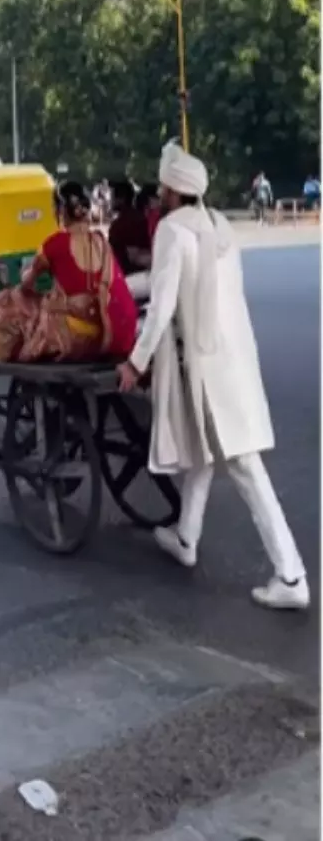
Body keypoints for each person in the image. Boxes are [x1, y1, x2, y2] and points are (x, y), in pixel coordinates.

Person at [117, 144, 307, 610]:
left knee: (243, 465)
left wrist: (136, 362)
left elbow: (162, 305)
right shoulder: (219, 226)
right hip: (235, 355)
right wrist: (118, 284)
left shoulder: (171, 231)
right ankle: (186, 536)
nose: (158, 193)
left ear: (174, 191)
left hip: (205, 364)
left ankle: (291, 574)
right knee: (208, 451)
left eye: (162, 186)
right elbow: (173, 283)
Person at [0, 181, 137, 364]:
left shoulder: (55, 244)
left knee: (5, 301)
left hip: (68, 337)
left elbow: (26, 286)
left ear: (61, 211)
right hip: (99, 335)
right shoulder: (101, 242)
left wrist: (25, 274)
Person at [106, 179, 152, 297]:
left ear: (121, 198)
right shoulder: (138, 218)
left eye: (112, 196)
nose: (109, 200)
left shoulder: (124, 223)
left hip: (130, 280)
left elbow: (135, 256)